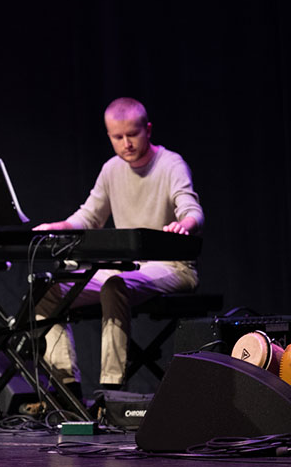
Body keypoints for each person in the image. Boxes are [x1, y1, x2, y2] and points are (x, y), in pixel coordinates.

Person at [33, 97, 202, 395]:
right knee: (48, 297)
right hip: (129, 269)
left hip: (173, 268)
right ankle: (67, 389)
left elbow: (191, 209)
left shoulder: (170, 164)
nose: (126, 143)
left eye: (132, 134)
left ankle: (111, 389)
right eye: (117, 137)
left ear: (148, 130)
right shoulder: (112, 169)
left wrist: (184, 224)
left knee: (114, 285)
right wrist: (55, 227)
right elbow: (89, 216)